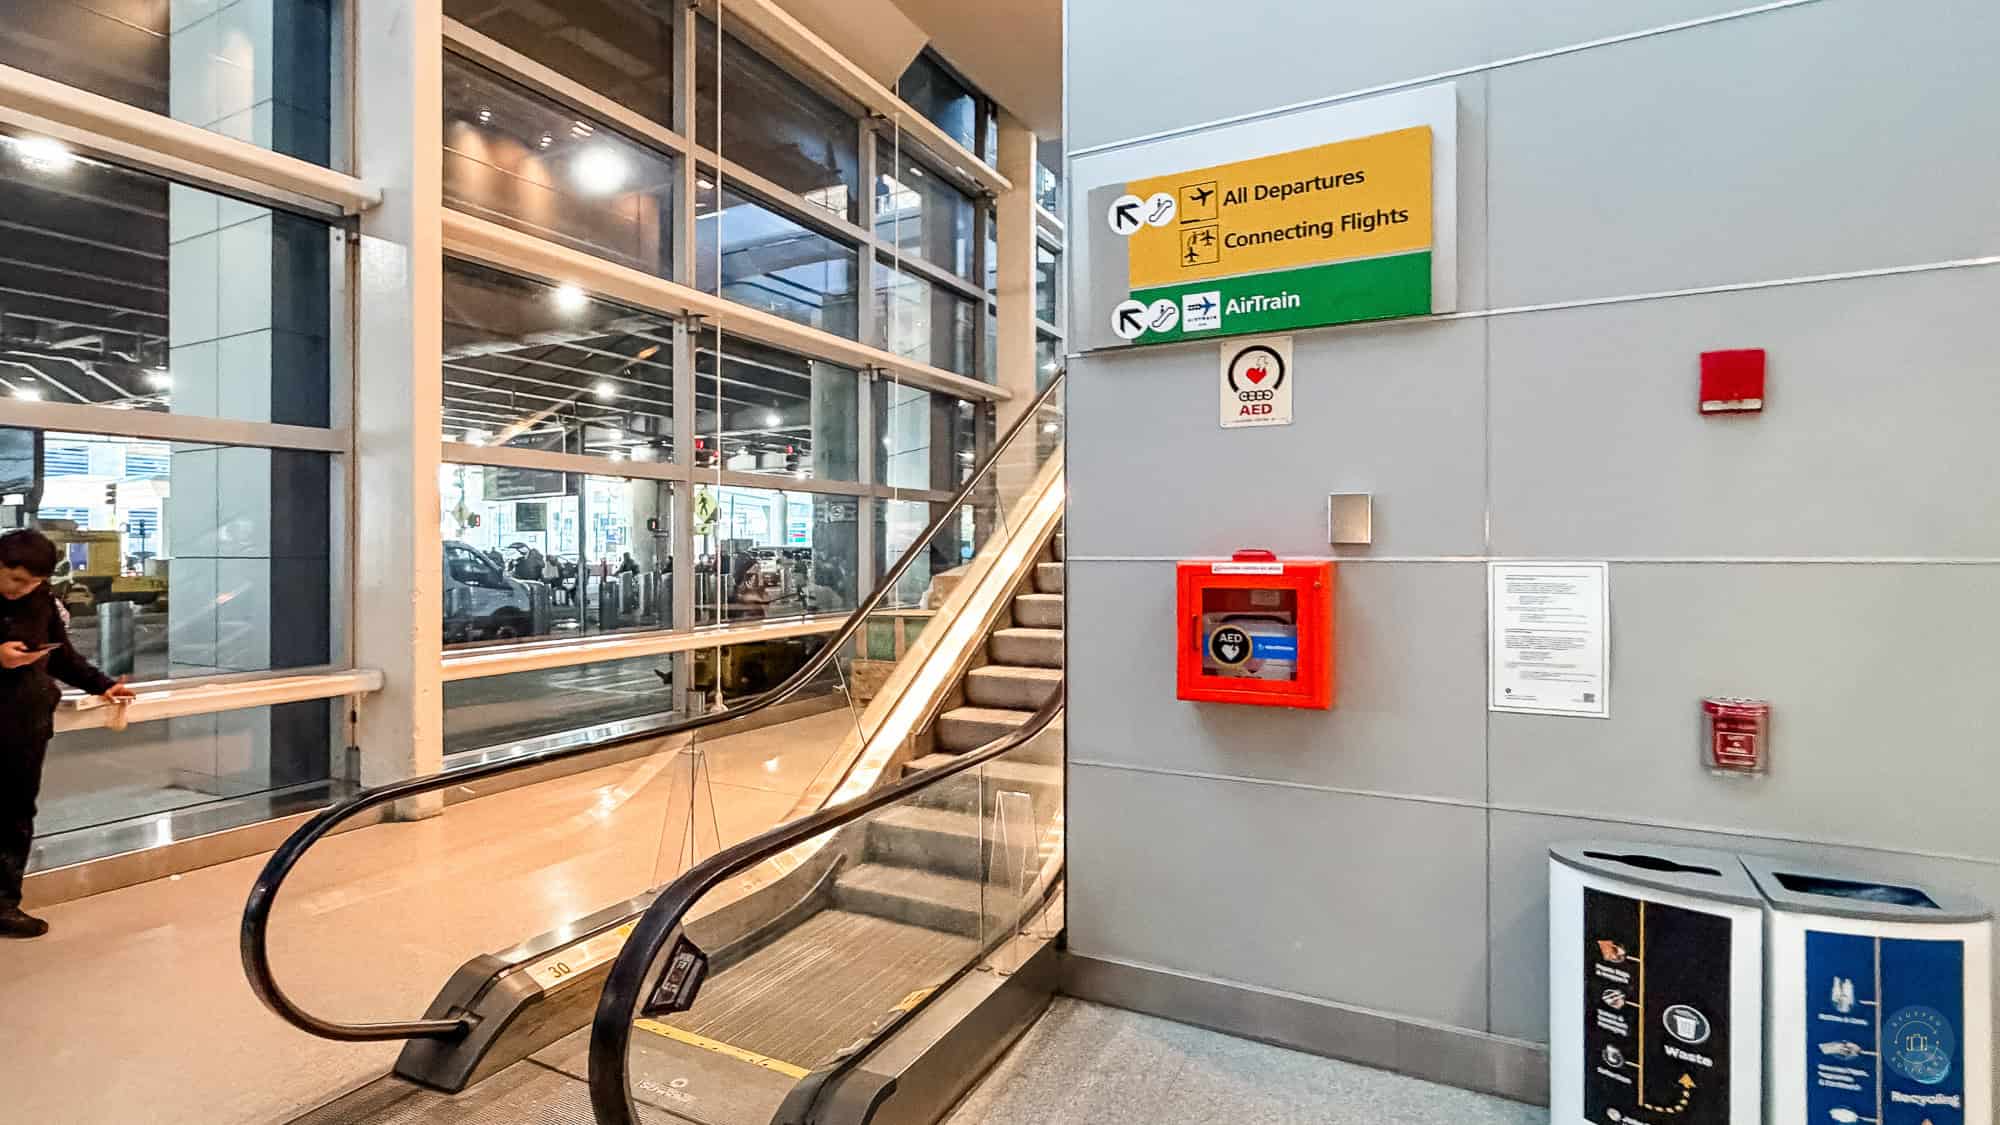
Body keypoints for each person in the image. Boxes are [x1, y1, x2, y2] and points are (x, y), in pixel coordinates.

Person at [0, 529, 134, 938]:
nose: (22, 590)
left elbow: (62, 656)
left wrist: (102, 685)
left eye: (34, 583)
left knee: (15, 814)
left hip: (23, 723)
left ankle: (4, 904)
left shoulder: (40, 600)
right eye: (16, 579)